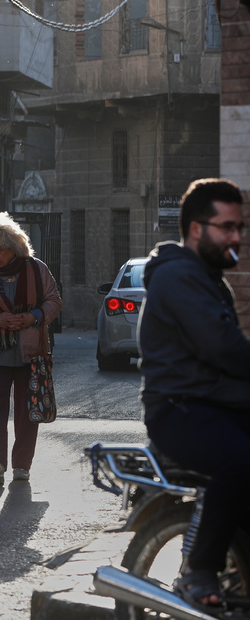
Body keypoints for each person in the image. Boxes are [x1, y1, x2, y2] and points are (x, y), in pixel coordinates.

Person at [138, 178, 250, 610]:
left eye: (239, 227)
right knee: (239, 459)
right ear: (197, 229)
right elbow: (222, 347)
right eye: (227, 227)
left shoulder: (203, 276)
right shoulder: (179, 276)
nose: (237, 236)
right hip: (180, 413)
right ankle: (200, 569)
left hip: (210, 405)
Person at [0, 212, 61, 486]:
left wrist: (34, 316)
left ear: (14, 248)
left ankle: (21, 466)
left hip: (31, 354)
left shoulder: (37, 270)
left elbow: (54, 301)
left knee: (27, 413)